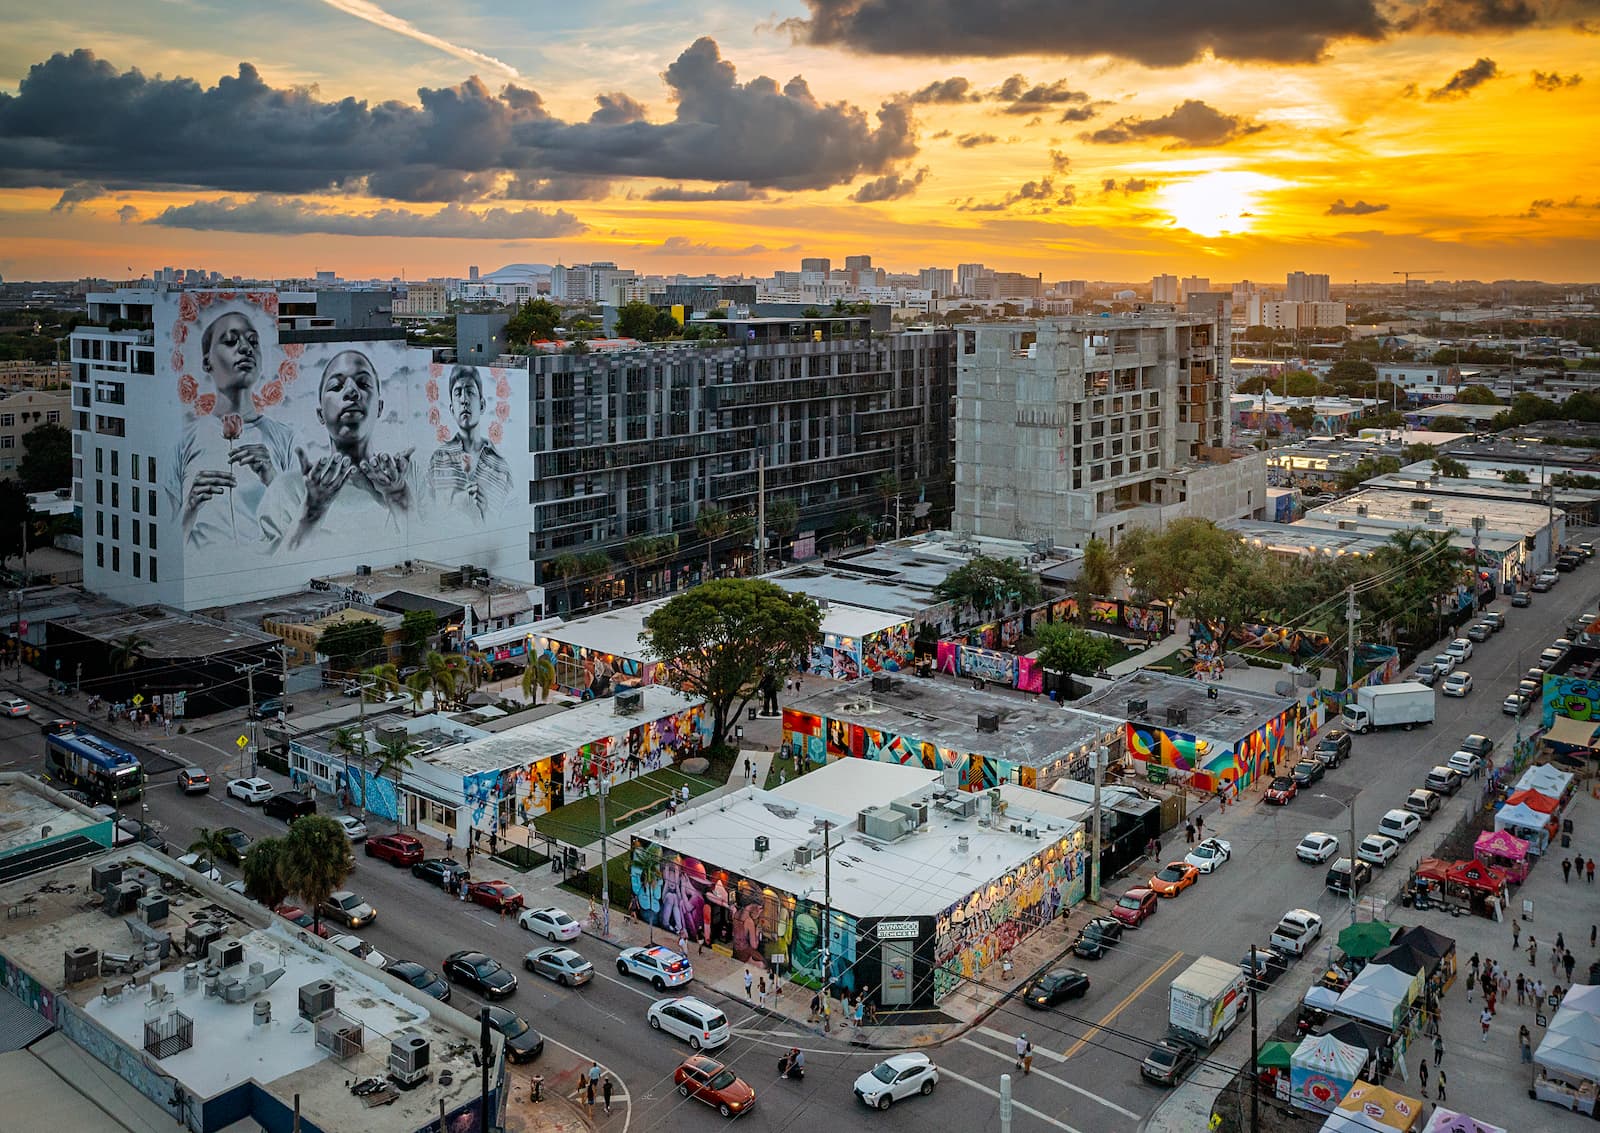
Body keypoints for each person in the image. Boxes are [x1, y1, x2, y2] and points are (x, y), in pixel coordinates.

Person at [259, 349, 419, 551]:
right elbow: (270, 573)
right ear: (320, 414)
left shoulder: (410, 478)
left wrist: (398, 496)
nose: (352, 392)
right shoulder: (285, 490)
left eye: (363, 383)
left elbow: (428, 555)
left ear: (379, 408)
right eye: (336, 386)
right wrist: (312, 509)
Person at [169, 309, 298, 548]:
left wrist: (272, 479)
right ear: (207, 361)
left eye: (253, 341)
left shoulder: (284, 437)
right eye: (230, 341)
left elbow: (302, 530)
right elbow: (163, 538)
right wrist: (190, 507)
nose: (246, 348)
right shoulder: (185, 440)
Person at [427, 364, 512, 520]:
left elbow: (508, 519)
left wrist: (484, 512)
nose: (464, 400)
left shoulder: (501, 467)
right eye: (458, 393)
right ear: (452, 410)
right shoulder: (439, 458)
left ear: (482, 405)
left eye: (470, 392)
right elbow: (429, 515)